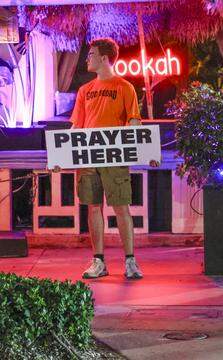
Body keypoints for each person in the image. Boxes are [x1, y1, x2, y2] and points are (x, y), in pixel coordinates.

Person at [63, 38, 158, 280]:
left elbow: (134, 121)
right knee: (93, 206)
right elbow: (76, 126)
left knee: (121, 206)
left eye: (91, 54)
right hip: (89, 156)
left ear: (104, 58)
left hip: (114, 156)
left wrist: (146, 152)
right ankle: (98, 261)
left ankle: (130, 261)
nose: (88, 58)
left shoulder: (124, 87)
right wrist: (62, 155)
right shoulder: (85, 91)